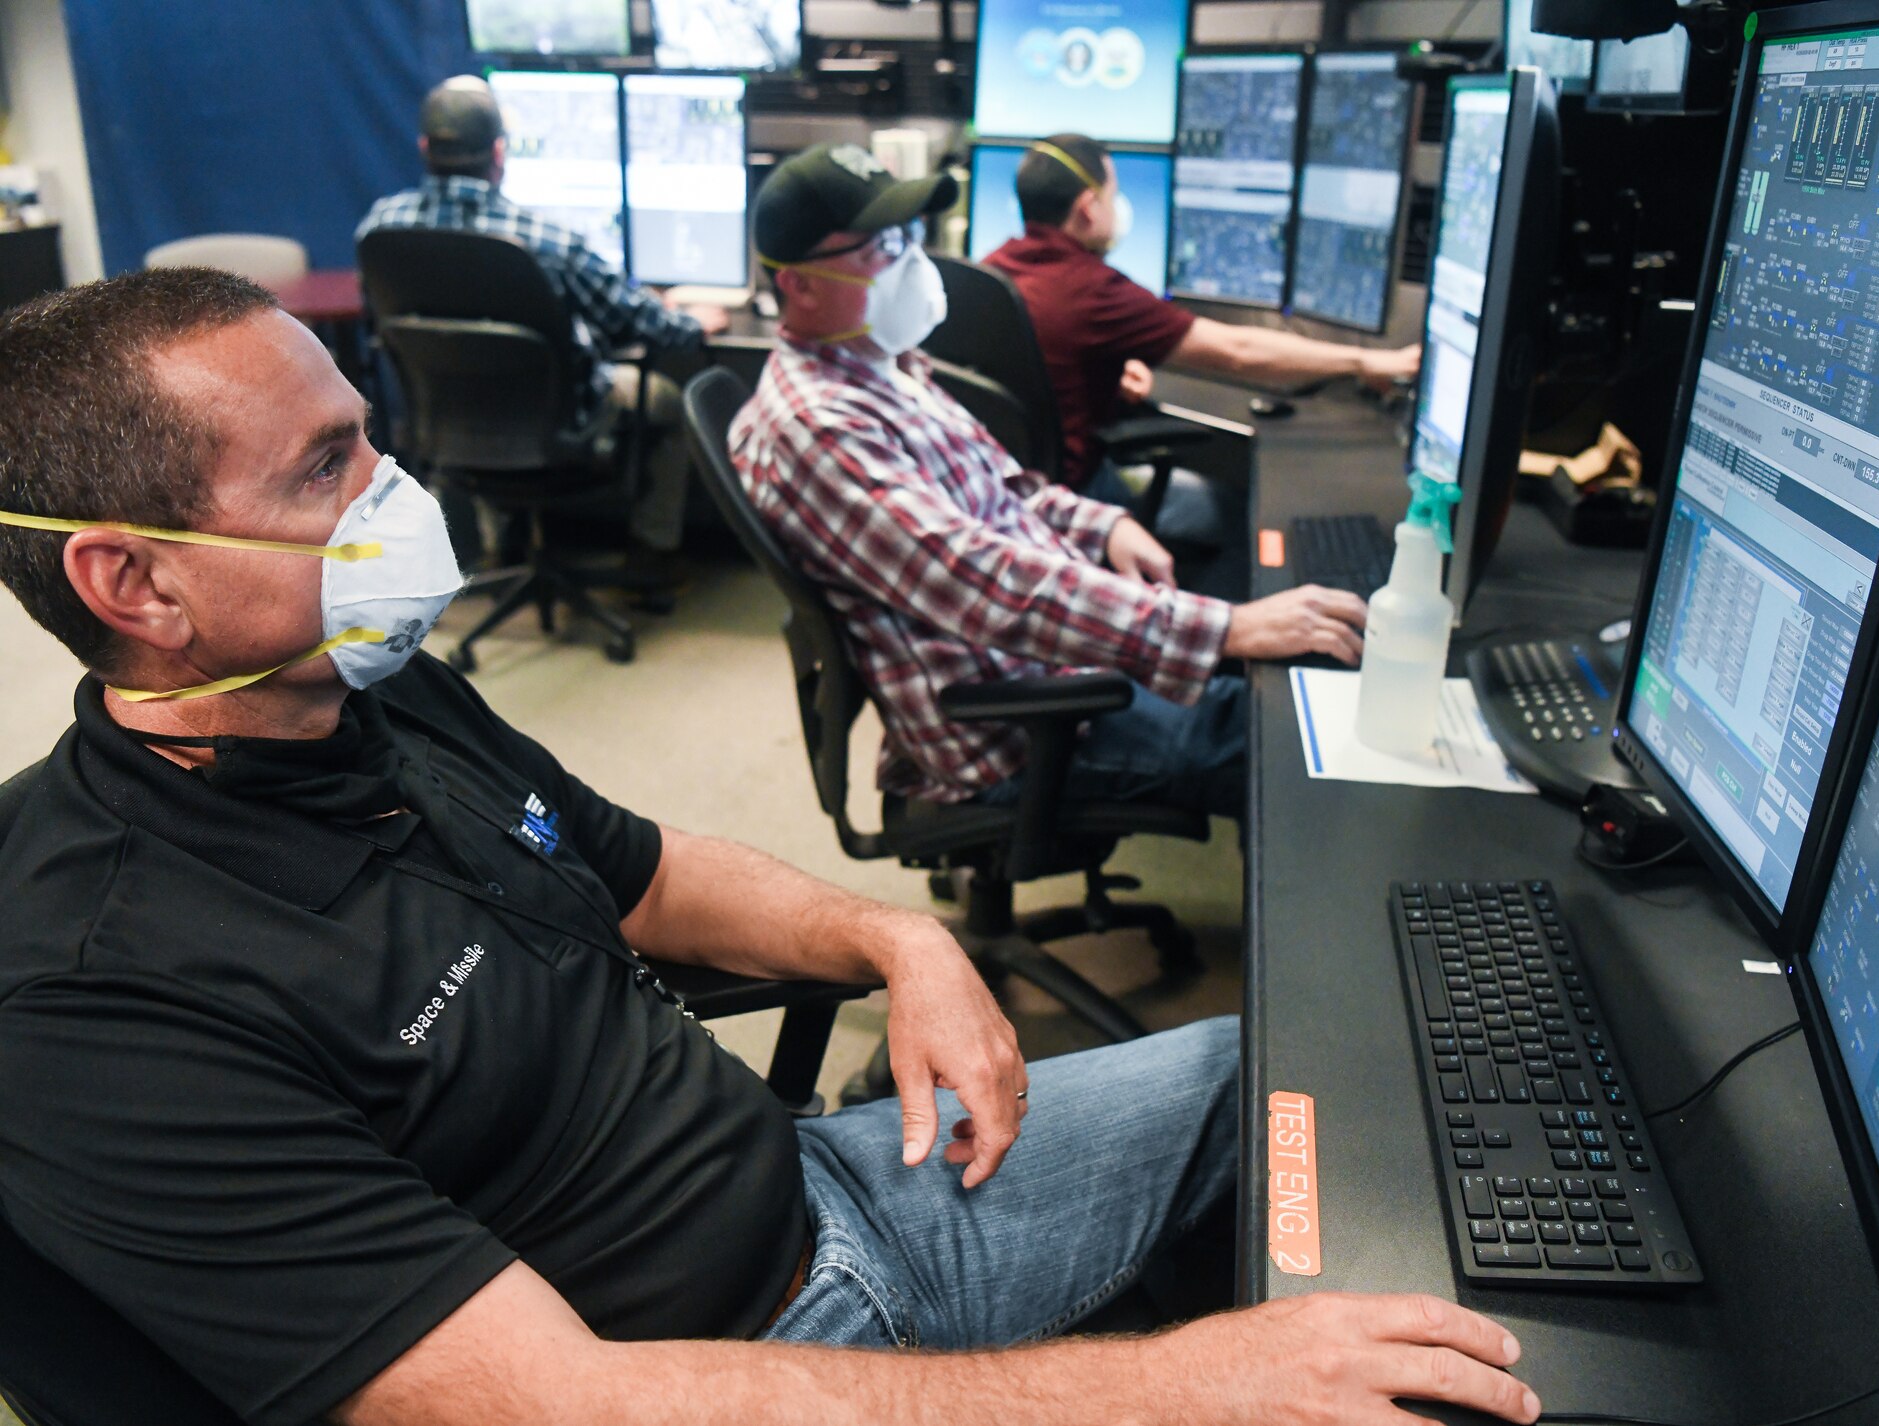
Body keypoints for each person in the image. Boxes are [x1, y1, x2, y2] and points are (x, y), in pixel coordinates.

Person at [0, 268, 1546, 1426]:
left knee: (1282, 1088)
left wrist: (904, 942)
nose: (397, 492)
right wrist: (1179, 1384)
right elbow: (566, 1403)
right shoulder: (98, 1005)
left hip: (836, 1181)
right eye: (325, 466)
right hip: (733, 1365)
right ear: (136, 583)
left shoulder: (376, 696)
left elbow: (651, 871)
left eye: (368, 437)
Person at [730, 144, 1370, 821]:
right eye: (880, 247)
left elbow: (1008, 485)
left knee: (1295, 682)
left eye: (912, 236)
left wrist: (1106, 524)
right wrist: (1226, 629)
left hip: (1056, 659)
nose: (911, 260)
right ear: (797, 283)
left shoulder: (880, 364)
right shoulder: (818, 428)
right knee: (1300, 744)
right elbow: (982, 583)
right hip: (1023, 728)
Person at [356, 75, 729, 589]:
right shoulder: (548, 240)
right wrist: (691, 322)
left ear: (425, 148)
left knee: (476, 384)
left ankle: (498, 551)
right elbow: (640, 324)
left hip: (447, 427)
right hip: (561, 430)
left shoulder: (379, 229)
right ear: (499, 153)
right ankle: (651, 557)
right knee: (668, 403)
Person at [985, 134, 1424, 492]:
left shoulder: (995, 269)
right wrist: (1364, 361)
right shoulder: (1094, 291)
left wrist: (1105, 369)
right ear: (1087, 208)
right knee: (1214, 503)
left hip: (1011, 486)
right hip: (1077, 496)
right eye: (1111, 195)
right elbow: (1239, 350)